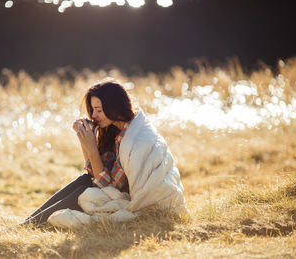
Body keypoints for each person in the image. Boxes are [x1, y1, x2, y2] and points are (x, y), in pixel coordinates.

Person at [21, 78, 186, 226]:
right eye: (93, 110)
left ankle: (29, 226)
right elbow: (95, 177)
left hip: (142, 202)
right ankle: (29, 223)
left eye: (99, 110)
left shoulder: (134, 140)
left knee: (84, 191)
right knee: (84, 180)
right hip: (120, 192)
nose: (93, 115)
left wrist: (91, 148)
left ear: (114, 107)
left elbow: (108, 187)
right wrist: (85, 141)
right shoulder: (117, 131)